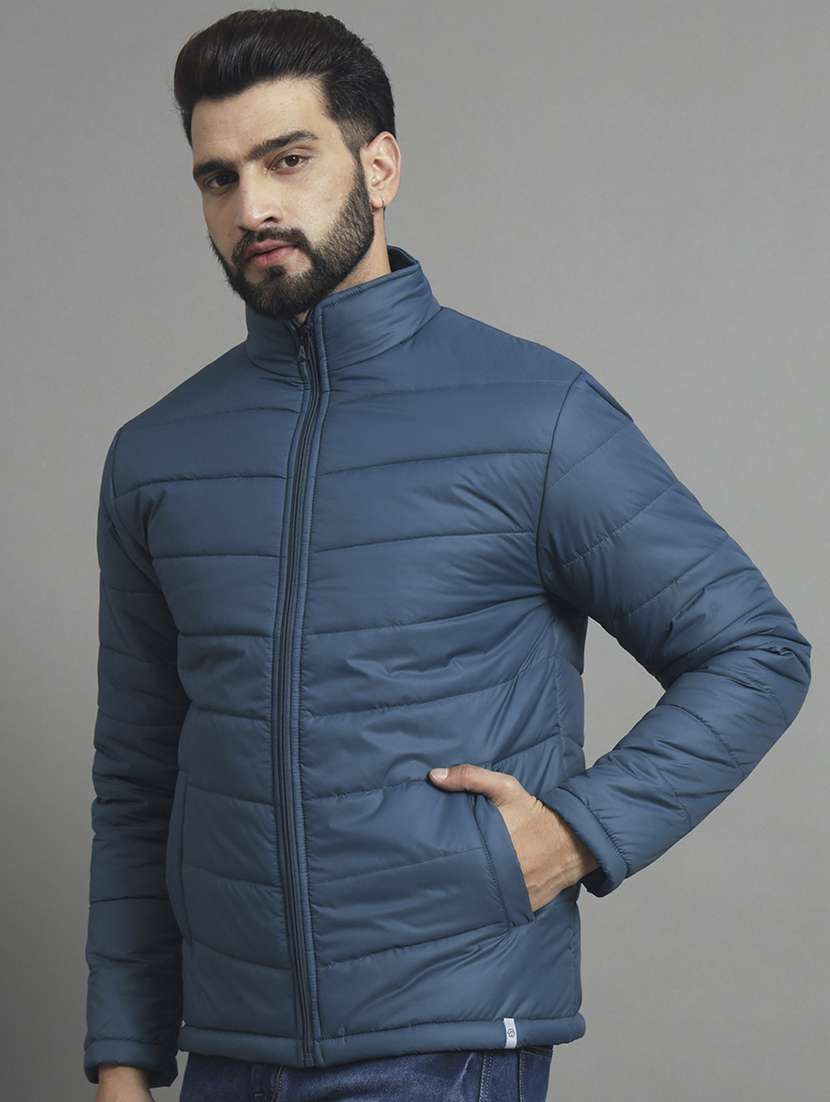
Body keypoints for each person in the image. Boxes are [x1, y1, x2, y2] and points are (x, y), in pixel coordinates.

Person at [82, 9, 812, 1102]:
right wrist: (124, 1056)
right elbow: (141, 779)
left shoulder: (533, 412)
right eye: (218, 178)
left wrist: (576, 834)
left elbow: (754, 651)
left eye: (289, 160)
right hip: (225, 1046)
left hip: (445, 1040)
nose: (253, 206)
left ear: (378, 167)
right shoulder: (157, 454)